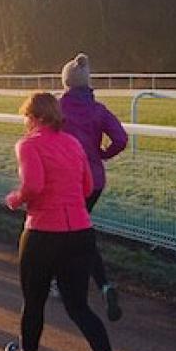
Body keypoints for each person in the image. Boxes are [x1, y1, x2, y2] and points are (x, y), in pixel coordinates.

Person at [3, 92, 129, 351]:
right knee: (78, 306)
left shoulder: (28, 145)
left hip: (43, 232)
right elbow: (87, 187)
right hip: (80, 233)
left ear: (34, 117)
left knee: (34, 301)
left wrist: (16, 199)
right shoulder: (73, 143)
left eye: (26, 118)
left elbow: (34, 185)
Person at [58, 53, 129, 321]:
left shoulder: (58, 108)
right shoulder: (98, 110)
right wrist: (102, 155)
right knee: (80, 230)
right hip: (95, 181)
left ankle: (75, 282)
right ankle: (103, 285)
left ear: (65, 82)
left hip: (67, 181)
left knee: (68, 232)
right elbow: (121, 139)